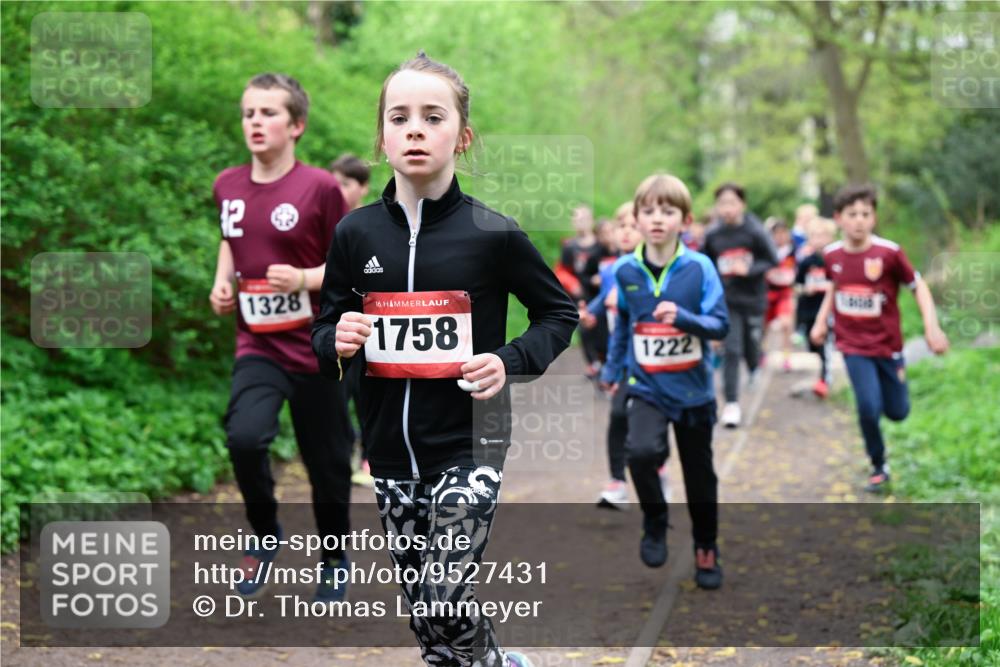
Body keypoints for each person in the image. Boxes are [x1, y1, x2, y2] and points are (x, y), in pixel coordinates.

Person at [312, 52, 578, 667]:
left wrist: (508, 361)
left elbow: (559, 314)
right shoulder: (355, 234)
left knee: (445, 596)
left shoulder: (495, 233)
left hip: (471, 440)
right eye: (398, 116)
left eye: (432, 117)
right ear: (380, 136)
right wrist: (339, 338)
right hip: (389, 446)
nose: (414, 129)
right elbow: (323, 329)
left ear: (462, 137)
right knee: (425, 618)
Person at [208, 72, 352, 601]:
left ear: (296, 125)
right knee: (244, 438)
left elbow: (348, 262)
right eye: (249, 113)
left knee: (328, 463)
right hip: (258, 343)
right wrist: (222, 283)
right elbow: (230, 240)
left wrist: (305, 279)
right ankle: (265, 535)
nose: (256, 122)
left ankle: (335, 556)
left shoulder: (319, 187)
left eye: (268, 113)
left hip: (317, 345)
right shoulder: (227, 184)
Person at [600, 173, 728, 589]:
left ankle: (706, 548)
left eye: (667, 211)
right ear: (635, 219)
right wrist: (612, 369)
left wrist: (686, 319)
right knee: (638, 453)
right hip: (647, 386)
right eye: (648, 211)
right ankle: (656, 519)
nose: (657, 219)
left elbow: (720, 325)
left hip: (693, 392)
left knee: (699, 476)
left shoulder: (699, 267)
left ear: (685, 220)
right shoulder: (625, 269)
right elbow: (625, 327)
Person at [810, 184, 948, 493]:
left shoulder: (889, 253)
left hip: (888, 346)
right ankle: (878, 464)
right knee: (868, 407)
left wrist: (931, 328)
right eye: (852, 214)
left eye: (866, 214)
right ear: (839, 218)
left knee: (897, 412)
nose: (859, 220)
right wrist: (821, 323)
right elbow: (835, 288)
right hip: (852, 345)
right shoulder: (831, 254)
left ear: (874, 218)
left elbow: (918, 287)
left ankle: (894, 395)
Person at [580, 201, 672, 510]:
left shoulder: (652, 268)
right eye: (621, 226)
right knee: (619, 415)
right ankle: (617, 483)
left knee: (653, 421)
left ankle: (659, 468)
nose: (626, 232)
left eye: (632, 225)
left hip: (652, 357)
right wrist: (591, 313)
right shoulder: (612, 269)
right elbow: (607, 297)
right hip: (621, 357)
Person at [703, 183, 778, 427]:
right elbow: (705, 264)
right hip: (728, 300)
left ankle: (755, 365)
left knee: (751, 344)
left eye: (732, 203)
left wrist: (748, 269)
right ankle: (732, 404)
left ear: (742, 204)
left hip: (754, 298)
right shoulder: (713, 235)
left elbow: (772, 259)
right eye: (722, 203)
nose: (727, 209)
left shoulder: (755, 231)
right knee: (731, 349)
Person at [329, 153, 375, 487]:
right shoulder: (321, 219)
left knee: (365, 395)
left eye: (345, 184)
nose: (337, 190)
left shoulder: (372, 224)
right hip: (334, 327)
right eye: (334, 182)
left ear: (362, 187)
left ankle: (368, 457)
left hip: (370, 328)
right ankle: (344, 450)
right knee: (335, 397)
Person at [794, 216, 836, 398]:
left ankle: (825, 379)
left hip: (828, 312)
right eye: (815, 236)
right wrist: (806, 289)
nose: (819, 240)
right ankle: (824, 371)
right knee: (813, 345)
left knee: (826, 344)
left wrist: (831, 288)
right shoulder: (806, 261)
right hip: (809, 310)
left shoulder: (835, 261)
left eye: (823, 235)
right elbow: (796, 285)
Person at [762, 218, 797, 372]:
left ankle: (786, 357)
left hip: (785, 292)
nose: (781, 237)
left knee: (786, 324)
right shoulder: (767, 251)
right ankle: (762, 353)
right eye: (777, 234)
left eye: (783, 233)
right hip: (768, 292)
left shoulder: (794, 251)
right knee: (764, 326)